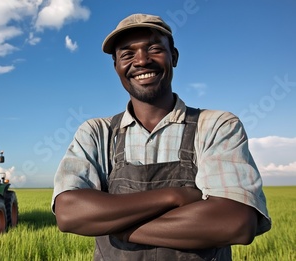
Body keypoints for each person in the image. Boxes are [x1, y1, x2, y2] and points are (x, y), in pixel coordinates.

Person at [51, 13, 271, 260]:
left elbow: (236, 222)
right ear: (116, 66)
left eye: (154, 48)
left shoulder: (216, 126)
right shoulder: (97, 133)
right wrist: (175, 196)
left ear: (173, 57)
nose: (142, 60)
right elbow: (70, 213)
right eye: (127, 54)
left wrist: (121, 229)